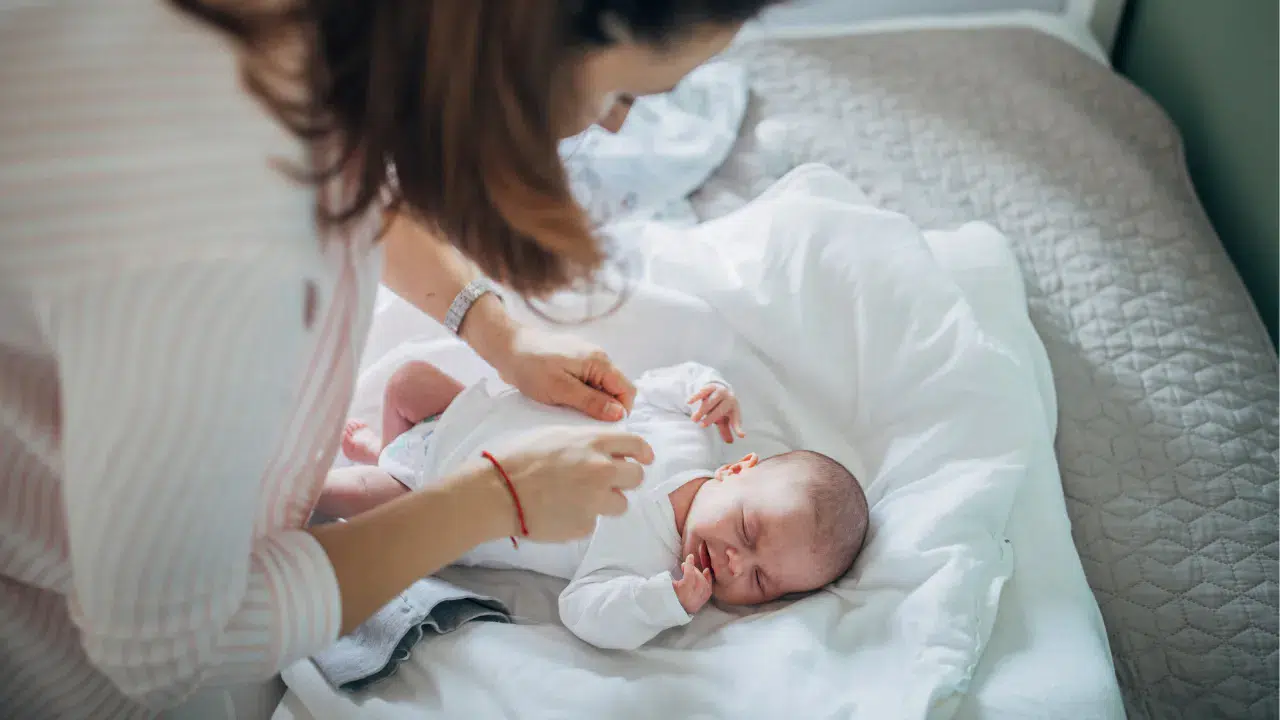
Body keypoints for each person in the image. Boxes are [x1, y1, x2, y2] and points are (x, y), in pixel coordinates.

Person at [0, 1, 786, 717]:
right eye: (623, 94)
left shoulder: (315, 46)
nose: (611, 129)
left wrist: (495, 331)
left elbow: (354, 181)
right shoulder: (222, 230)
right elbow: (165, 646)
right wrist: (492, 501)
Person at [320, 360, 869, 651]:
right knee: (407, 380)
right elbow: (653, 388)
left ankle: (378, 466)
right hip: (464, 421)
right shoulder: (689, 437)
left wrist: (663, 603)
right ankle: (384, 448)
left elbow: (582, 611)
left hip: (436, 502)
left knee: (334, 494)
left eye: (759, 581)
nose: (733, 563)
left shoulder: (648, 570)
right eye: (748, 531)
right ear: (735, 469)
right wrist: (708, 386)